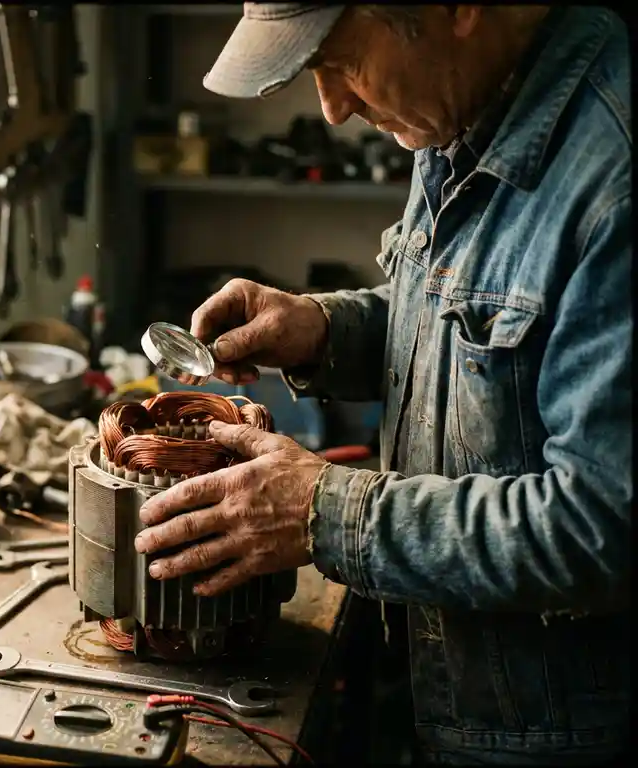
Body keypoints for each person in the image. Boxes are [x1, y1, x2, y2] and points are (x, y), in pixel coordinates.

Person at [132, 5, 630, 764]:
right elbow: (476, 320)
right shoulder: (466, 102)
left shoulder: (613, 183)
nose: (332, 107)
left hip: (552, 738)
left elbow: (601, 529)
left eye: (338, 60)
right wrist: (325, 330)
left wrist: (325, 510)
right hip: (435, 686)